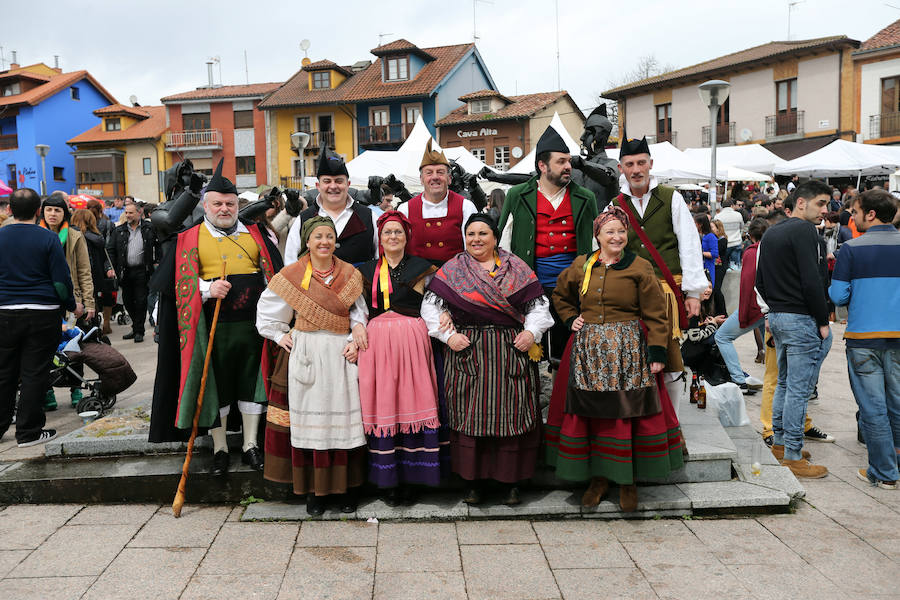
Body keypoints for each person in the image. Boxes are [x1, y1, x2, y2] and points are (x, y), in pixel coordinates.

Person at [148, 159, 282, 476]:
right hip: (212, 328)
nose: (225, 208)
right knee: (216, 388)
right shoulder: (188, 238)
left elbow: (276, 277)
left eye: (230, 203)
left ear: (238, 205)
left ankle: (251, 445)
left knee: (254, 386)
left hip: (253, 329)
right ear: (206, 205)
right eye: (218, 203)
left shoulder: (256, 234)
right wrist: (207, 288)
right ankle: (220, 448)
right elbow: (174, 285)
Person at [545, 206, 684, 511]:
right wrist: (570, 319)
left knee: (627, 415)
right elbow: (560, 295)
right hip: (588, 353)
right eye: (610, 231)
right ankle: (597, 479)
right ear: (597, 236)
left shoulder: (640, 268)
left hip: (628, 352)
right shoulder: (582, 265)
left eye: (621, 231)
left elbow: (657, 313)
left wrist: (658, 352)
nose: (617, 236)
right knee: (591, 417)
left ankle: (627, 481)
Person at [422, 214, 553, 505]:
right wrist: (448, 337)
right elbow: (430, 307)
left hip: (510, 350)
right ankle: (473, 484)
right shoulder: (454, 269)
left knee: (513, 416)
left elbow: (539, 306)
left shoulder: (516, 267)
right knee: (470, 417)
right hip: (469, 351)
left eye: (483, 233)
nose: (476, 239)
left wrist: (531, 332)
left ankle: (512, 484)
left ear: (495, 237)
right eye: (471, 234)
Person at [256, 216, 367, 515]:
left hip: (340, 351)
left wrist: (356, 338)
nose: (324, 242)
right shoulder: (292, 275)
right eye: (318, 236)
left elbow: (358, 313)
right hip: (307, 350)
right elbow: (267, 314)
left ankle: (347, 489)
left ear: (335, 240)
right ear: (307, 241)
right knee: (311, 425)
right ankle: (314, 492)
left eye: (329, 236)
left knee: (344, 422)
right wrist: (280, 335)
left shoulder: (349, 274)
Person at [610, 137, 706, 413]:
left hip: (666, 292)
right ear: (621, 168)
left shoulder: (670, 198)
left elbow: (689, 244)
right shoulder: (614, 205)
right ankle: (641, 423)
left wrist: (693, 293)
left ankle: (672, 422)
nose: (636, 169)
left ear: (651, 164)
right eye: (630, 164)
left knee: (671, 359)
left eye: (641, 163)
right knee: (634, 357)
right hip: (628, 295)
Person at [356, 211, 445, 504]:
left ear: (407, 237)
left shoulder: (423, 268)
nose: (393, 237)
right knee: (384, 404)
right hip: (377, 343)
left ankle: (414, 479)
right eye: (387, 233)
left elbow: (433, 304)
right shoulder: (366, 270)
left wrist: (444, 317)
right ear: (379, 239)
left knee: (411, 400)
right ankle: (387, 480)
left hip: (411, 341)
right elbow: (357, 308)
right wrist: (357, 325)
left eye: (398, 232)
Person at [497, 125, 599, 364]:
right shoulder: (517, 195)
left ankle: (564, 397)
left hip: (573, 288)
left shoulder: (586, 197)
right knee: (533, 350)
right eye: (561, 161)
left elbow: (597, 244)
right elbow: (503, 242)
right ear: (542, 166)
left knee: (569, 350)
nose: (568, 167)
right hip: (531, 286)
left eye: (569, 161)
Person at [756, 179, 833, 478]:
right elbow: (812, 279)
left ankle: (781, 444)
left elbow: (759, 280)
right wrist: (823, 320)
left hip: (777, 315)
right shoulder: (804, 231)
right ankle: (791, 455)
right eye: (821, 203)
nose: (825, 210)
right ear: (801, 203)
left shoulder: (772, 232)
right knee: (797, 389)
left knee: (785, 384)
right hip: (800, 318)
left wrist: (772, 311)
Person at [829, 189, 900, 489]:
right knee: (897, 401)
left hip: (863, 338)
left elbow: (837, 295)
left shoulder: (852, 249)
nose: (853, 217)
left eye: (856, 212)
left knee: (873, 408)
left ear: (870, 214)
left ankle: (885, 472)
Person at [0, 188, 78, 447]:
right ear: (38, 211)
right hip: (42, 312)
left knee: (4, 373)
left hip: (4, 312)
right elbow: (60, 281)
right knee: (34, 373)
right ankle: (28, 432)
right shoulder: (48, 239)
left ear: (9, 209)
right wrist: (70, 305)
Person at [40, 193, 94, 410]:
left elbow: (84, 270)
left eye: (57, 210)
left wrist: (89, 302)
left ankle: (76, 388)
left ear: (65, 213)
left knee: (74, 346)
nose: (52, 214)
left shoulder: (74, 236)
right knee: (44, 348)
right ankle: (47, 391)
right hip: (44, 302)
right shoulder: (37, 235)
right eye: (49, 210)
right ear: (42, 212)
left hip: (73, 302)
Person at [284, 147, 378, 267]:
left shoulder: (369, 217)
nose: (333, 186)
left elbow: (380, 259)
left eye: (339, 181)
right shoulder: (303, 219)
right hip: (315, 286)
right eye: (327, 181)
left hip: (361, 285)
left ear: (348, 184)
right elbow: (290, 263)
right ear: (318, 186)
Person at [396, 140, 477, 267]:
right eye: (429, 173)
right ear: (421, 179)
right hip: (417, 281)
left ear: (449, 178)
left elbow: (474, 249)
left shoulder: (466, 207)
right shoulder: (405, 209)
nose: (435, 177)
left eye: (440, 172)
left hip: (455, 279)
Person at [714, 217, 768, 394]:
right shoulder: (771, 250)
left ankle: (739, 380)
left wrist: (743, 313)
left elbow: (747, 286)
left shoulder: (752, 253)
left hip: (756, 305)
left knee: (722, 337)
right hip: (769, 307)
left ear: (750, 235)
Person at [106, 202, 158, 343]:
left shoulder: (149, 228)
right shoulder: (119, 230)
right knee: (128, 302)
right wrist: (110, 268)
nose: (128, 215)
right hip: (124, 271)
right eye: (126, 212)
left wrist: (157, 260)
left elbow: (158, 245)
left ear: (139, 212)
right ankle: (136, 327)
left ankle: (139, 331)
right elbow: (110, 250)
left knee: (141, 301)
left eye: (130, 212)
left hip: (142, 270)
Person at [70, 209, 111, 328]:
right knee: (92, 310)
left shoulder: (74, 238)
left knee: (74, 318)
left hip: (77, 282)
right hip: (94, 281)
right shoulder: (98, 238)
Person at [716, 199, 745, 270]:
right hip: (736, 242)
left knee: (724, 265)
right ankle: (735, 280)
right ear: (732, 206)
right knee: (735, 266)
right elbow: (742, 227)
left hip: (724, 244)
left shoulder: (718, 216)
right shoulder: (738, 215)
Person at [695, 214, 718, 288]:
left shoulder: (710, 236)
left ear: (700, 224)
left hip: (707, 268)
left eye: (695, 223)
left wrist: (700, 253)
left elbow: (714, 254)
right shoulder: (696, 235)